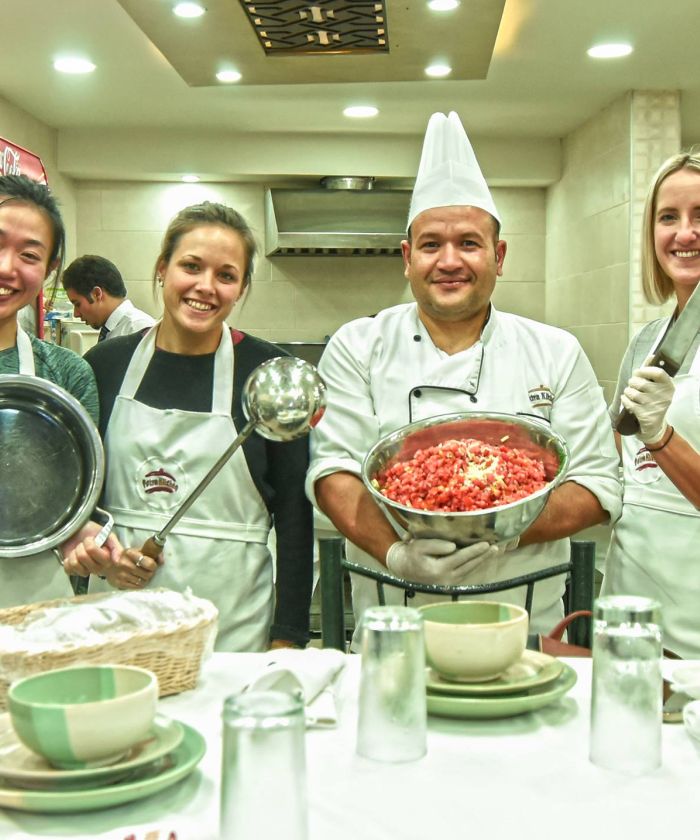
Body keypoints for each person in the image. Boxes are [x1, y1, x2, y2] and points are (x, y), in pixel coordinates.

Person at [306, 111, 622, 636]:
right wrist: (397, 553)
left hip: (525, 629)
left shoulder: (555, 351)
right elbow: (335, 474)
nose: (449, 261)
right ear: (407, 258)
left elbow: (595, 486)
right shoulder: (357, 346)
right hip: (395, 626)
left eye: (469, 244)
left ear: (499, 255)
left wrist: (503, 529)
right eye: (431, 245)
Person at [62, 201, 314, 651]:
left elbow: (295, 514)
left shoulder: (267, 374)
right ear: (162, 269)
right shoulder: (106, 365)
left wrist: (288, 637)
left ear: (241, 287)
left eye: (226, 275)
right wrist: (106, 559)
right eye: (191, 267)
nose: (206, 287)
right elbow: (84, 499)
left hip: (233, 624)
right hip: (121, 616)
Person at [601, 152, 700, 657]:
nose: (685, 233)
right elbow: (616, 465)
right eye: (669, 217)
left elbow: (649, 437)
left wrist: (661, 437)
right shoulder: (647, 342)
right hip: (628, 614)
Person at [0, 174, 100, 606]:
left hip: (32, 598)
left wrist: (85, 533)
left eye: (28, 255)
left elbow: (78, 501)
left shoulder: (65, 374)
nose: (7, 267)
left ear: (49, 270)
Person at [62, 254, 155, 341]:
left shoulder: (139, 329)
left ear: (97, 294)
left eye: (78, 304)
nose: (76, 314)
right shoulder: (113, 330)